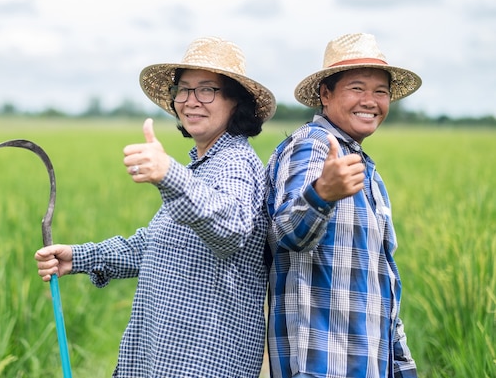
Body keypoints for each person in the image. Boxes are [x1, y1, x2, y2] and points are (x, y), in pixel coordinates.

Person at [35, 36, 276, 377]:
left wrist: (169, 174)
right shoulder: (201, 165)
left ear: (235, 102)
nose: (191, 101)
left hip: (201, 362)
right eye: (184, 89)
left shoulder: (235, 163)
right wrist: (79, 257)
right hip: (164, 355)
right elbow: (154, 247)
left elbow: (231, 226)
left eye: (207, 90)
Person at [264, 33, 421, 378]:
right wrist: (322, 193)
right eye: (357, 88)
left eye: (381, 91)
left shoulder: (362, 166)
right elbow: (286, 231)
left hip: (365, 364)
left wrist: (401, 364)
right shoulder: (314, 145)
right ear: (326, 94)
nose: (370, 101)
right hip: (319, 364)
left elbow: (381, 285)